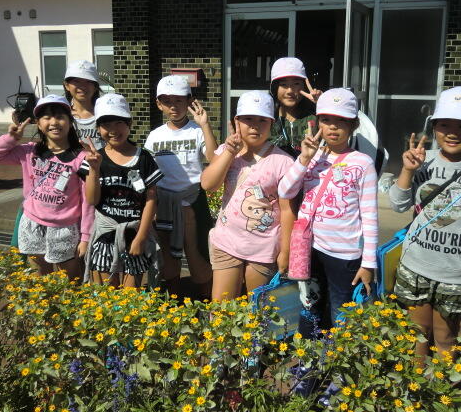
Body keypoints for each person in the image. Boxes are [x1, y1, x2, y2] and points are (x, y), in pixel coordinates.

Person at [389, 86, 461, 358]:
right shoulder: (422, 161)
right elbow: (398, 204)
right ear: (434, 128)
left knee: (445, 338)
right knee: (416, 335)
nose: (453, 133)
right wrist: (407, 171)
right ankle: (415, 383)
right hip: (414, 266)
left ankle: (443, 384)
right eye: (445, 125)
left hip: (457, 275)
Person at [278, 88, 378, 334]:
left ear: (353, 125)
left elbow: (370, 217)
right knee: (309, 305)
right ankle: (307, 355)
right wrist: (303, 159)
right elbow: (285, 190)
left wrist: (368, 263)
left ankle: (338, 357)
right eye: (326, 120)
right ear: (318, 122)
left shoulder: (363, 163)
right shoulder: (312, 157)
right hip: (310, 248)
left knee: (341, 312)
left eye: (341, 120)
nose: (333, 127)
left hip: (345, 255)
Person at [0, 95, 93, 281]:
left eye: (60, 117)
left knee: (70, 278)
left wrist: (85, 236)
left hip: (64, 227)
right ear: (39, 124)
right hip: (32, 223)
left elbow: (87, 201)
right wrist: (11, 139)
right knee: (39, 274)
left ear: (70, 122)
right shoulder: (29, 151)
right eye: (46, 117)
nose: (54, 122)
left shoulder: (81, 158)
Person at [201, 90, 295, 301]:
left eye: (262, 120)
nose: (255, 126)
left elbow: (288, 210)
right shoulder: (226, 151)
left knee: (258, 310)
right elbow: (208, 184)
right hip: (226, 241)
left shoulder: (284, 162)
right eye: (248, 119)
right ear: (237, 121)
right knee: (222, 309)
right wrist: (229, 152)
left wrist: (286, 251)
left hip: (263, 247)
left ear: (271, 123)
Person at [144, 75, 218, 298]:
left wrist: (205, 125)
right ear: (159, 104)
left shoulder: (197, 131)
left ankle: (206, 301)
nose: (173, 106)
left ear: (189, 101)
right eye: (167, 101)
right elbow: (148, 171)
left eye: (179, 100)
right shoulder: (155, 136)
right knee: (168, 255)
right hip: (164, 204)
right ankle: (174, 300)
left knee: (198, 253)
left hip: (193, 201)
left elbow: (213, 158)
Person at [80, 93, 163, 287]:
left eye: (119, 122)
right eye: (106, 124)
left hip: (134, 232)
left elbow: (151, 199)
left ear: (129, 124)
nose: (113, 130)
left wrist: (142, 237)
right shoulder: (94, 159)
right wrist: (94, 169)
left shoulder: (144, 158)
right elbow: (92, 200)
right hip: (105, 234)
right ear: (98, 128)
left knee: (130, 295)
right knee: (106, 293)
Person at [269, 57, 322, 158]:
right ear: (275, 88)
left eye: (296, 84)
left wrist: (323, 104)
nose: (290, 91)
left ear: (304, 86)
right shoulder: (267, 120)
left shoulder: (317, 118)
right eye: (283, 84)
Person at [63, 60, 105, 150]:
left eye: (88, 81)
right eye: (76, 81)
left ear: (95, 86)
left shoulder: (105, 112)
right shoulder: (61, 115)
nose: (82, 86)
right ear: (67, 85)